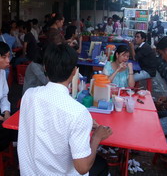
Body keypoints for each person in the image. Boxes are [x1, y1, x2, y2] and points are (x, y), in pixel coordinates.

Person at [18, 44, 112, 175]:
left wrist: (84, 124)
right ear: (74, 71)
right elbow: (82, 167)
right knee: (101, 164)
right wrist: (96, 138)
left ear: (45, 67)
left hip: (30, 172)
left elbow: (48, 122)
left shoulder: (29, 95)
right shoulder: (78, 112)